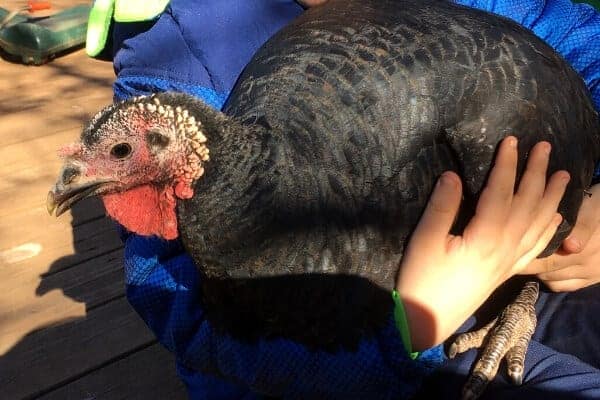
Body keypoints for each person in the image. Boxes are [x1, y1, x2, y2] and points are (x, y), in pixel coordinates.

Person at [88, 0, 600, 398]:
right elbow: (174, 298)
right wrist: (414, 325)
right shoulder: (180, 57)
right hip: (331, 359)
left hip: (518, 279)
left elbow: (586, 52)